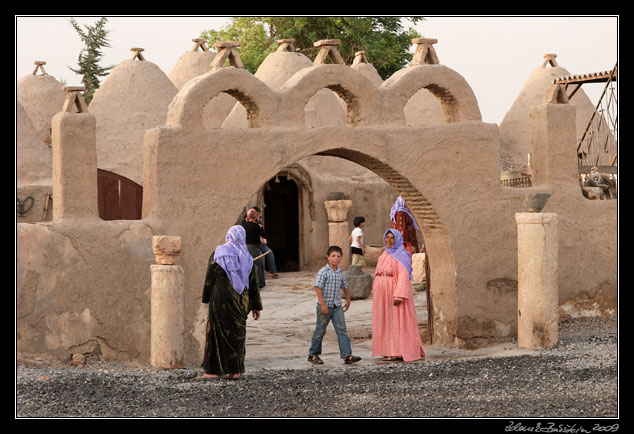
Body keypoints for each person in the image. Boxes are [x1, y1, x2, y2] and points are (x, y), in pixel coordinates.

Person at [197, 225, 263, 380]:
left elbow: (209, 279)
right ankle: (235, 371)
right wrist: (256, 306)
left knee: (217, 335)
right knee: (237, 336)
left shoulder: (218, 254)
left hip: (221, 303)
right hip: (241, 304)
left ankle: (212, 371)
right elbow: (254, 284)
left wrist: (206, 298)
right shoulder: (247, 257)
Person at [372, 229, 425, 362]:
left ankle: (397, 351)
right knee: (384, 321)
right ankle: (386, 350)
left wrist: (399, 295)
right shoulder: (384, 254)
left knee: (395, 321)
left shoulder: (402, 255)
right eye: (387, 237)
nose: (389, 240)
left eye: (392, 238)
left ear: (397, 240)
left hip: (393, 292)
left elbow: (403, 276)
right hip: (382, 295)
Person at [308, 246, 362, 365]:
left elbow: (345, 287)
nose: (336, 259)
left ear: (341, 258)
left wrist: (348, 300)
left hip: (337, 306)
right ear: (328, 257)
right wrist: (322, 305)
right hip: (325, 306)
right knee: (320, 330)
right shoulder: (323, 272)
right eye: (333, 256)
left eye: (338, 256)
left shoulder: (340, 272)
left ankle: (347, 355)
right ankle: (313, 354)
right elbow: (318, 288)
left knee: (342, 330)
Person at [251, 207, 279, 279]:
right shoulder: (247, 222)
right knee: (259, 255)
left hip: (261, 244)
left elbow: (263, 234)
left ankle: (273, 271)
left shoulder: (258, 222)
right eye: (257, 214)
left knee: (269, 252)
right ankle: (260, 275)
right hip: (254, 244)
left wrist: (264, 241)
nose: (257, 216)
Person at [242, 209, 267, 288]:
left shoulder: (244, 225)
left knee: (247, 265)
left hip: (245, 248)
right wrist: (260, 227)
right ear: (255, 216)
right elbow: (264, 234)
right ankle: (259, 284)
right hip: (254, 247)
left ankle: (248, 283)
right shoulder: (256, 225)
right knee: (257, 265)